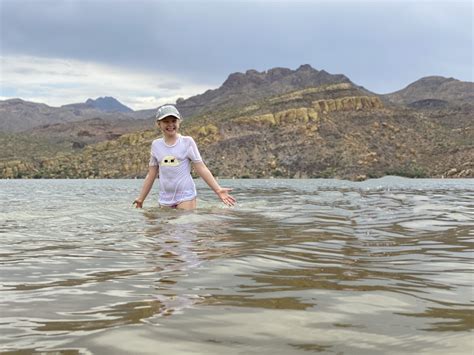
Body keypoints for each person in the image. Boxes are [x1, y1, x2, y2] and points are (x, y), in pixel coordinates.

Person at [133, 104, 235, 210]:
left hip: (186, 195)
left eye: (173, 121)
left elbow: (201, 167)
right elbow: (151, 174)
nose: (170, 124)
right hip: (165, 198)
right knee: (164, 226)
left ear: (179, 122)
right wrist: (141, 198)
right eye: (166, 121)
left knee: (185, 224)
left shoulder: (187, 142)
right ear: (159, 124)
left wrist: (218, 190)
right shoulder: (156, 145)